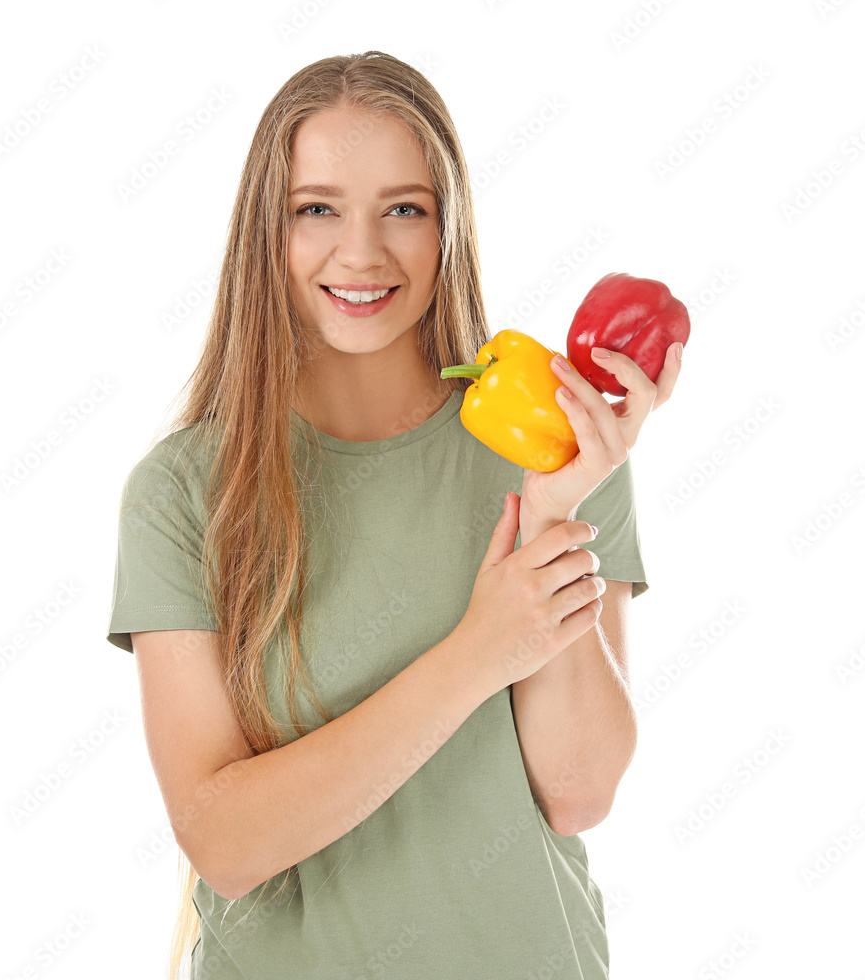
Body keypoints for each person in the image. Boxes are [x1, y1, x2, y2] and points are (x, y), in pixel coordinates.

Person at [105, 50, 682, 980]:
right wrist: (477, 653)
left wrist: (552, 517)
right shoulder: (183, 492)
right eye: (317, 208)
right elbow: (225, 842)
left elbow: (576, 794)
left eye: (403, 209)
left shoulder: (557, 444)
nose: (362, 252)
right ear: (268, 231)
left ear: (447, 228)